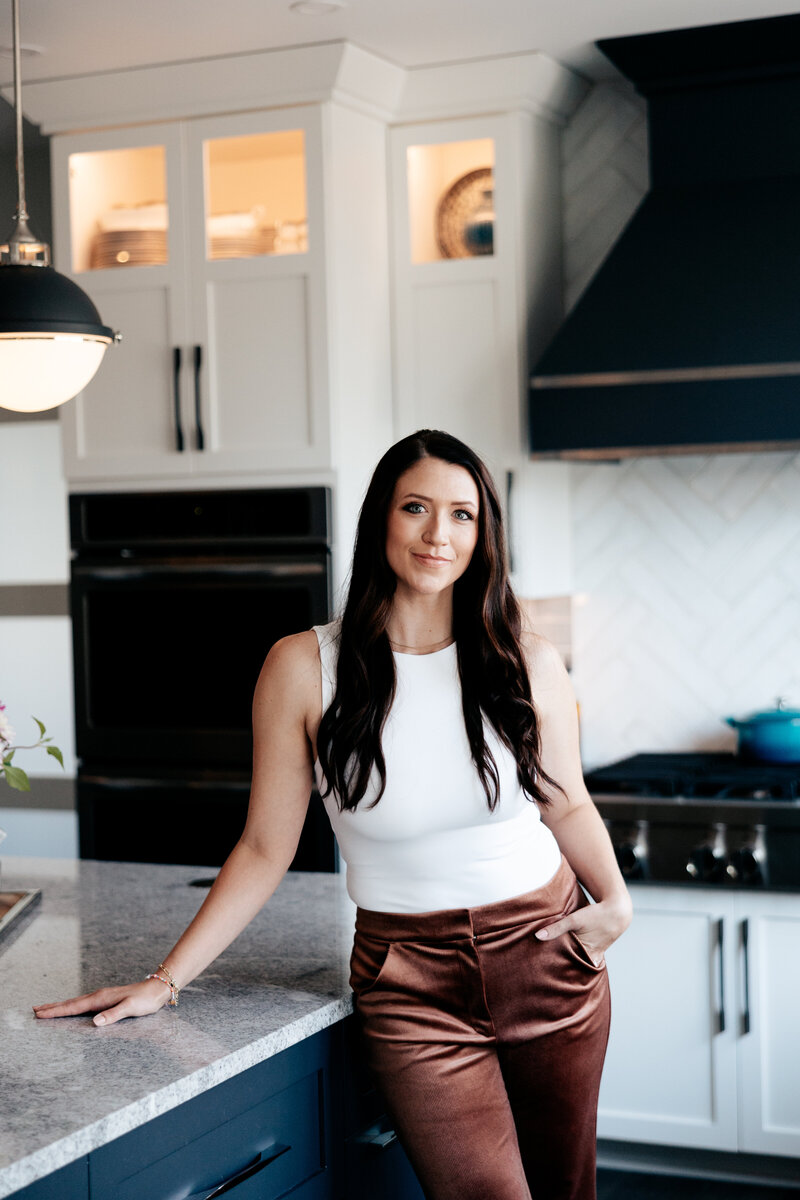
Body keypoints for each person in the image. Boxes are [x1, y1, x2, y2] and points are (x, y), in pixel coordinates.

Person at [34, 429, 632, 1200]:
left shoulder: (526, 659)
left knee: (567, 1189)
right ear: (380, 517)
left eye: (462, 515)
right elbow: (262, 847)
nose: (436, 534)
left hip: (547, 952)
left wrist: (614, 898)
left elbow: (567, 800)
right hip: (408, 980)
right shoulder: (303, 666)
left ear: (484, 536)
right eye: (416, 507)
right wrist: (165, 979)